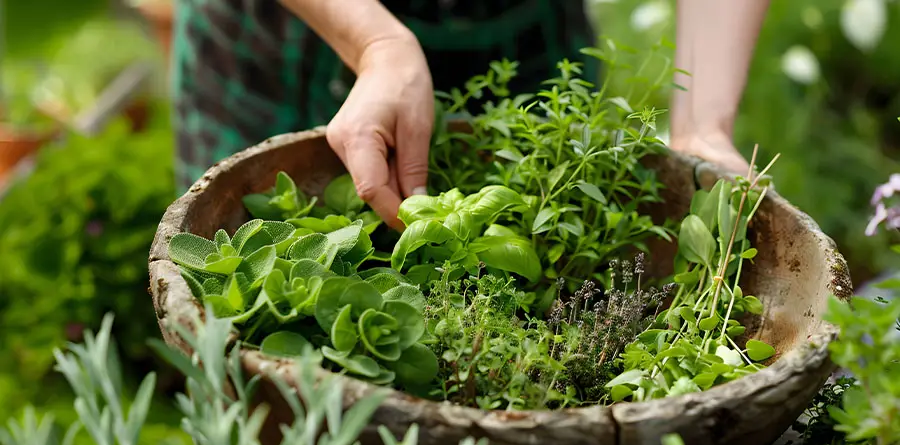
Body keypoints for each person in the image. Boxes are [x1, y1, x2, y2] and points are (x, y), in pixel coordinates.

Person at [172, 0, 769, 230]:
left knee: (548, 254)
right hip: (284, 35)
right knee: (245, 309)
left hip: (524, 33)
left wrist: (702, 126)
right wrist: (373, 42)